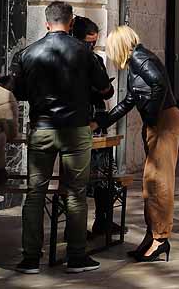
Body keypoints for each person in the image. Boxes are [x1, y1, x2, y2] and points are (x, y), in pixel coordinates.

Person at [11, 1, 112, 274]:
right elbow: (105, 89)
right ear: (70, 23)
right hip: (75, 129)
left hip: (42, 128)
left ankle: (31, 257)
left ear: (47, 23)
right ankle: (76, 255)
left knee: (35, 193)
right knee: (76, 193)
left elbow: (18, 92)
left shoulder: (26, 53)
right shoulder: (85, 52)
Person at [97, 27, 179, 262]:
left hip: (165, 122)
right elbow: (130, 100)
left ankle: (160, 239)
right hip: (161, 122)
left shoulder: (140, 58)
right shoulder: (137, 62)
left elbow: (158, 85)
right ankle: (152, 236)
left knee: (158, 182)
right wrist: (103, 120)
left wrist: (153, 116)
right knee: (151, 183)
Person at [71, 16, 120, 239]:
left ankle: (103, 220)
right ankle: (76, 229)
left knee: (103, 174)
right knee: (76, 179)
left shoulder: (95, 60)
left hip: (95, 119)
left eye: (94, 42)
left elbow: (106, 91)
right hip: (78, 122)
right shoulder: (72, 59)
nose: (91, 46)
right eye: (88, 42)